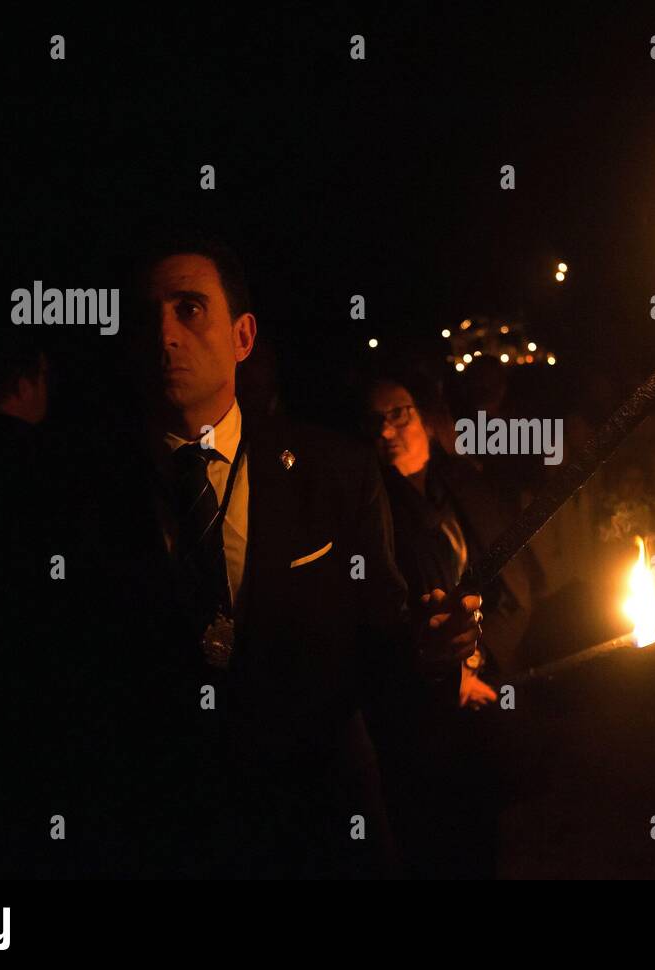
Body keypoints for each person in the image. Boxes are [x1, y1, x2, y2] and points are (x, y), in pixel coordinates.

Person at [61, 234, 483, 878]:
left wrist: (433, 647)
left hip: (320, 821)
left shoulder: (333, 472)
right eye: (147, 317)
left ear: (243, 336)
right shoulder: (85, 495)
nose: (165, 335)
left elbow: (382, 640)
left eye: (190, 308)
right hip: (171, 833)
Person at [361, 375, 520, 878]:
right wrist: (450, 673)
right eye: (376, 421)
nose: (388, 430)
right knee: (434, 837)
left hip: (483, 682)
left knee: (483, 829)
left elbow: (509, 583)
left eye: (399, 413)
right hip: (422, 708)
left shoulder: (460, 486)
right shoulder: (370, 507)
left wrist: (482, 655)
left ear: (424, 417)